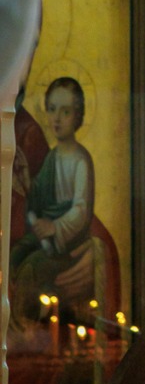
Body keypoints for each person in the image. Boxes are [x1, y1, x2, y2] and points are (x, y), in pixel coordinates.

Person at [10, 77, 95, 323]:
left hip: (66, 245)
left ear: (78, 116)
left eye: (65, 111)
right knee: (14, 256)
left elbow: (81, 210)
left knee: (33, 267)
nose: (57, 118)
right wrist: (28, 186)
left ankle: (30, 322)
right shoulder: (52, 158)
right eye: (52, 109)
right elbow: (36, 196)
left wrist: (54, 227)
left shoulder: (80, 160)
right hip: (44, 236)